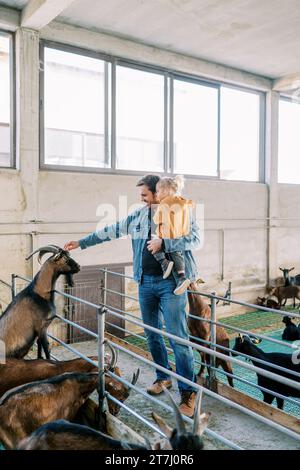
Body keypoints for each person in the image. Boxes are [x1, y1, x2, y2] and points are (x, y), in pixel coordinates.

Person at [64, 174, 201, 417]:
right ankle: (163, 377)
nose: (142, 199)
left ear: (159, 194)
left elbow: (195, 239)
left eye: (145, 195)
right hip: (145, 282)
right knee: (152, 334)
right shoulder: (138, 216)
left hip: (172, 284)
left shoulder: (180, 211)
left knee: (177, 338)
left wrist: (166, 245)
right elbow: (110, 230)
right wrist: (81, 243)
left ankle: (188, 394)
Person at [152, 175, 193, 295]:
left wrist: (155, 215)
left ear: (165, 190)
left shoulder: (164, 203)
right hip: (179, 235)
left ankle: (164, 263)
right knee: (177, 254)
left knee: (153, 243)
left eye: (158, 191)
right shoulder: (182, 201)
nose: (157, 194)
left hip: (167, 234)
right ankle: (182, 276)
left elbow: (156, 219)